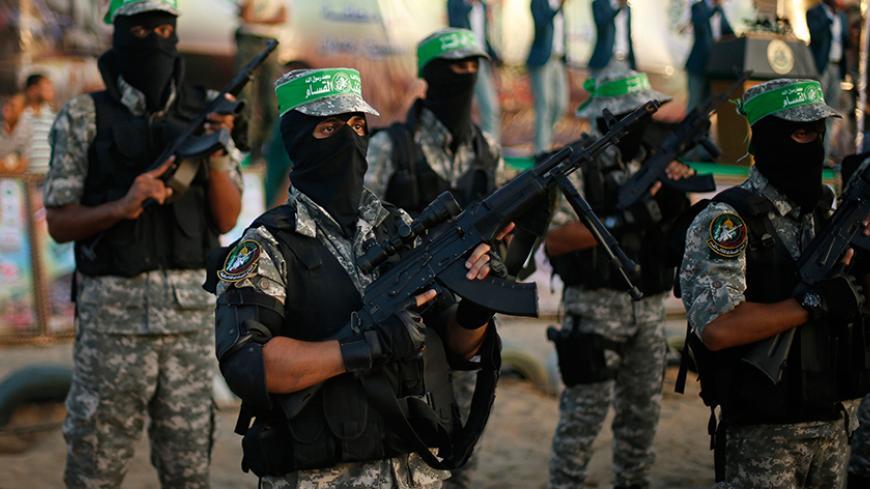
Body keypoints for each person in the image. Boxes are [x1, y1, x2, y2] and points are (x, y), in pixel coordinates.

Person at [210, 66, 507, 489]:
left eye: (357, 125)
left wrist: (477, 305)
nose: (349, 140)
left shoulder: (399, 227)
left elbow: (457, 345)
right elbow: (247, 364)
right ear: (298, 139)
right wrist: (365, 346)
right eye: (329, 129)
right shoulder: (268, 245)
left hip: (413, 471)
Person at [43, 1, 244, 487]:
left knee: (189, 471)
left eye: (162, 30)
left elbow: (227, 217)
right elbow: (59, 222)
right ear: (117, 35)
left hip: (189, 326)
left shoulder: (208, 110)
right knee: (95, 469)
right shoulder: (83, 115)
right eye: (139, 31)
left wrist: (217, 150)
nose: (153, 42)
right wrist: (121, 205)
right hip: (112, 327)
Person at [680, 78, 862, 488]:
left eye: (818, 132)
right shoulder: (727, 221)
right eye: (800, 133)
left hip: (834, 426)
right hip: (764, 438)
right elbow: (718, 328)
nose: (813, 144)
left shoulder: (827, 212)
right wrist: (811, 305)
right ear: (767, 138)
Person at [366, 28, 503, 489]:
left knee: (462, 442)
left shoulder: (487, 149)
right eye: (454, 68)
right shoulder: (391, 147)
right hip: (405, 318)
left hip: (466, 316)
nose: (465, 75)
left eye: (472, 67)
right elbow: (361, 230)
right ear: (429, 74)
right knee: (406, 443)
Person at [546, 68, 693, 489]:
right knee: (582, 419)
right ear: (607, 116)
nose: (642, 123)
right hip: (594, 311)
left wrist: (676, 201)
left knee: (642, 418)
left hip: (649, 309)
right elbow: (556, 238)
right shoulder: (577, 164)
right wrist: (619, 220)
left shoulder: (655, 162)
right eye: (632, 114)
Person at [236, 0, 286, 163]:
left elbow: (282, 17)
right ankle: (244, 146)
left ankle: (264, 148)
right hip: (249, 40)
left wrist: (257, 21)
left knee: (270, 99)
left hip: (270, 42)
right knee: (246, 97)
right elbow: (247, 16)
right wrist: (268, 20)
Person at [448, 0, 502, 141]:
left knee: (489, 108)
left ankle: (489, 147)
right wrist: (468, 6)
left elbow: (483, 37)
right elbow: (455, 29)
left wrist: (494, 55)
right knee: (461, 108)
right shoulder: (456, 3)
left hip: (481, 60)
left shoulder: (482, 6)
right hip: (465, 62)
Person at [527, 0, 569, 153]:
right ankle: (541, 150)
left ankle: (545, 140)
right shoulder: (538, 3)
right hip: (542, 60)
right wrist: (557, 7)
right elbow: (541, 23)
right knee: (544, 105)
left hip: (558, 60)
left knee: (560, 105)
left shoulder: (560, 6)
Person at [684, 0, 733, 111]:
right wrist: (714, 10)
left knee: (707, 106)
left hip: (713, 67)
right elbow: (699, 22)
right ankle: (689, 123)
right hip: (697, 66)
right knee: (694, 104)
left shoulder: (720, 10)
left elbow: (728, 31)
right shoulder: (698, 7)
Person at [588, 0, 635, 78]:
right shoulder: (599, 3)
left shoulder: (627, 8)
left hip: (624, 62)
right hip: (604, 61)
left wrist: (633, 63)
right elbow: (602, 26)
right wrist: (617, 8)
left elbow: (628, 35)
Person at [21, 73, 57, 174]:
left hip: (48, 177)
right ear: (33, 90)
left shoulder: (54, 117)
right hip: (25, 178)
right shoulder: (22, 116)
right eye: (47, 85)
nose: (51, 89)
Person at [0, 93, 31, 172]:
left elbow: (23, 165)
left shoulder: (27, 130)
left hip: (18, 178)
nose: (7, 108)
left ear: (22, 110)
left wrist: (4, 165)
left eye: (13, 106)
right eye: (6, 104)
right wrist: (11, 164)